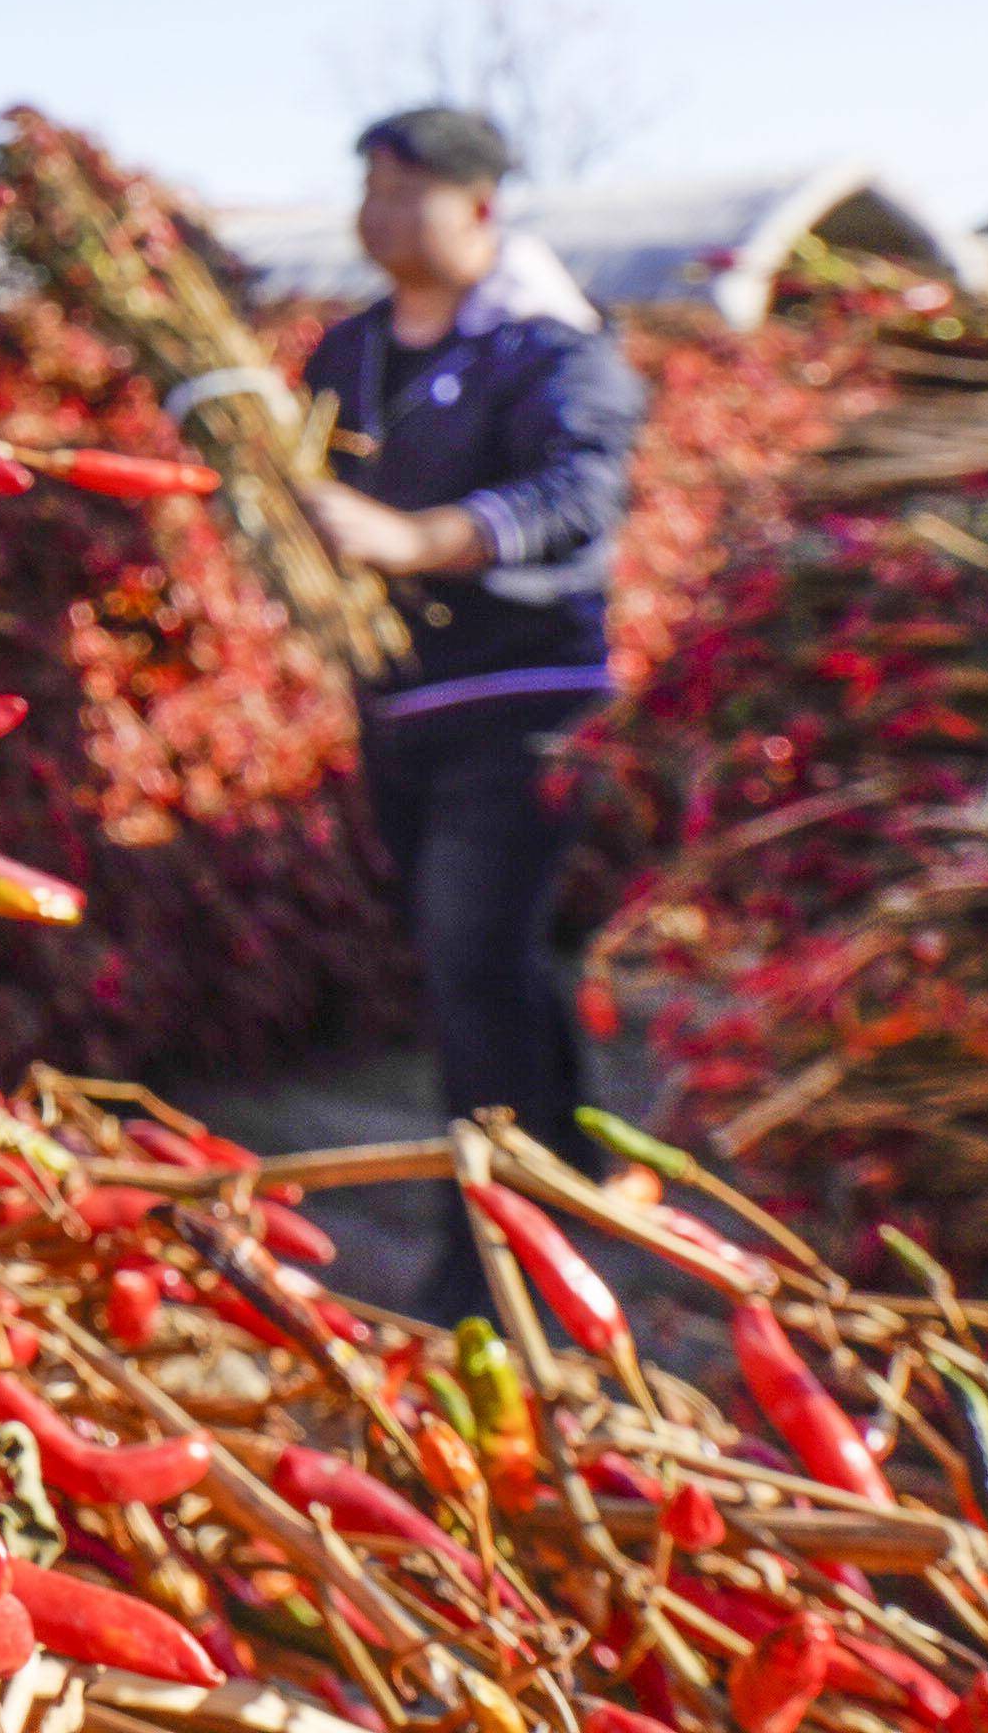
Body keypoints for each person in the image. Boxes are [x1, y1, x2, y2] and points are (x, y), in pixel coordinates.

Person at [289, 104, 645, 1307]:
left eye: (406, 194)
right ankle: (567, 1161)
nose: (378, 217)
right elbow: (309, 471)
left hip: (529, 695)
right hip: (405, 702)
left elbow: (579, 494)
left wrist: (415, 538)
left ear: (480, 204)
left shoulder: (552, 349)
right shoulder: (350, 351)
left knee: (470, 958)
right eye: (370, 192)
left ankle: (480, 1267)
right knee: (495, 955)